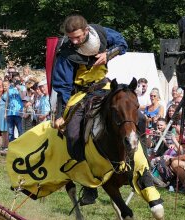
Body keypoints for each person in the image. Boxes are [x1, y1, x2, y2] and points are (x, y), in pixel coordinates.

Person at [52, 15, 128, 205]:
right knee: (73, 135)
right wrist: (62, 114)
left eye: (77, 37)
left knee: (132, 115)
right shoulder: (66, 52)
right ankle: (88, 185)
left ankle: (141, 168)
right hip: (82, 93)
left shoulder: (101, 34)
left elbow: (122, 43)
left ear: (86, 30)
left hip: (105, 87)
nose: (75, 41)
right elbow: (62, 85)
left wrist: (108, 54)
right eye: (71, 38)